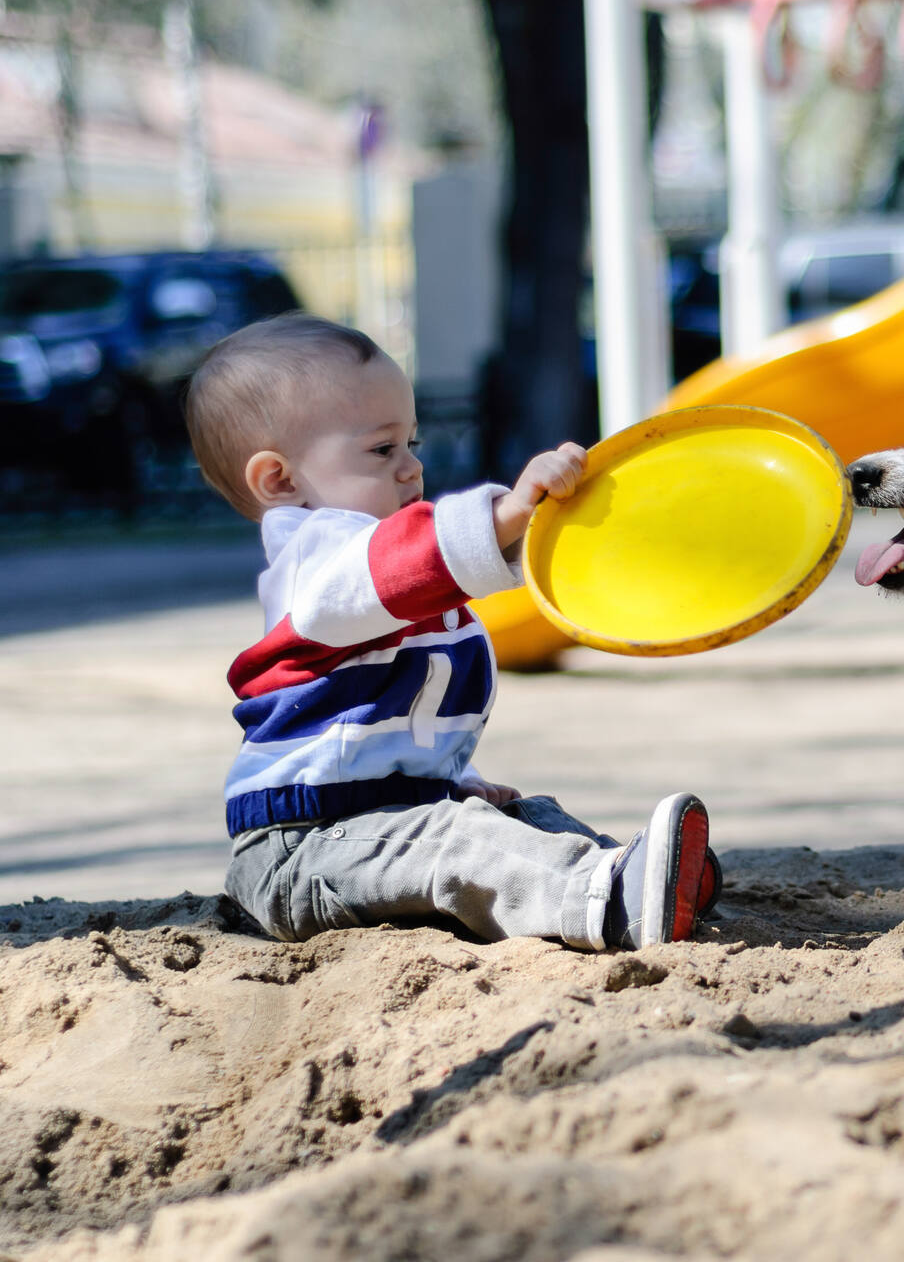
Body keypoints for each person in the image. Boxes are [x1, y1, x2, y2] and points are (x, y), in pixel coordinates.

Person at [184, 312, 719, 951]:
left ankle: (637, 874)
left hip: (367, 823)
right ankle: (608, 900)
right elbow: (406, 561)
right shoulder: (317, 561)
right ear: (280, 480)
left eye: (411, 443)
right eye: (382, 450)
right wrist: (507, 512)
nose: (411, 468)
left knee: (521, 817)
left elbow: (367, 727)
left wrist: (445, 781)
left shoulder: (366, 570)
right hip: (303, 849)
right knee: (463, 844)